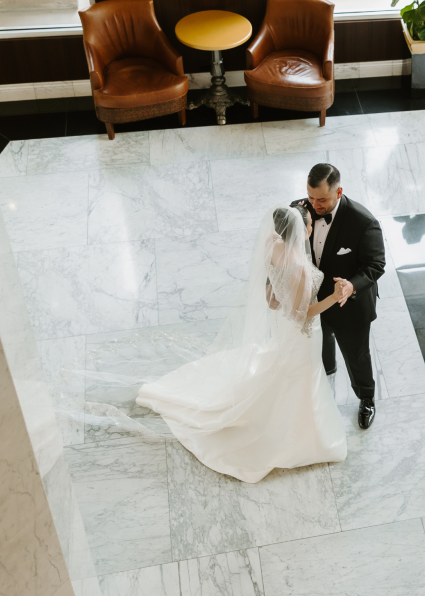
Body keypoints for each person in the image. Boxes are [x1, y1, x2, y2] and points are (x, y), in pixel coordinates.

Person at [136, 204, 347, 483]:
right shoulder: (301, 269)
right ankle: (308, 437)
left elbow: (271, 290)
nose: (311, 227)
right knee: (303, 379)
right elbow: (301, 316)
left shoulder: (272, 245)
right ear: (301, 229)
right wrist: (334, 296)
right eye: (309, 224)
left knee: (288, 373)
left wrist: (277, 298)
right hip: (301, 334)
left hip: (281, 324)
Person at [291, 163, 385, 429]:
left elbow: (375, 266)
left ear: (339, 191)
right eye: (310, 197)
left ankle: (366, 397)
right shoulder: (301, 210)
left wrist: (350, 286)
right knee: (321, 343)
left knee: (357, 356)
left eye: (321, 199)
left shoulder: (363, 222)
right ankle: (328, 367)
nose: (314, 205)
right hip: (313, 302)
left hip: (349, 305)